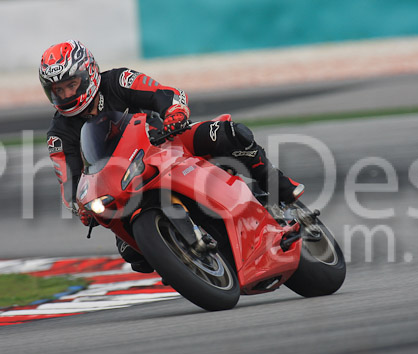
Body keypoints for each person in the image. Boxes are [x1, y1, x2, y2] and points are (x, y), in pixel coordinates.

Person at [39, 40, 304, 273]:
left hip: (168, 144)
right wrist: (81, 206)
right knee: (133, 254)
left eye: (71, 85)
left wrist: (174, 113)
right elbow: (69, 182)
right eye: (58, 90)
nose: (66, 95)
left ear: (89, 73)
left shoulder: (118, 81)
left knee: (229, 134)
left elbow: (164, 94)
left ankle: (278, 187)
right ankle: (182, 261)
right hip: (122, 182)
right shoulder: (58, 134)